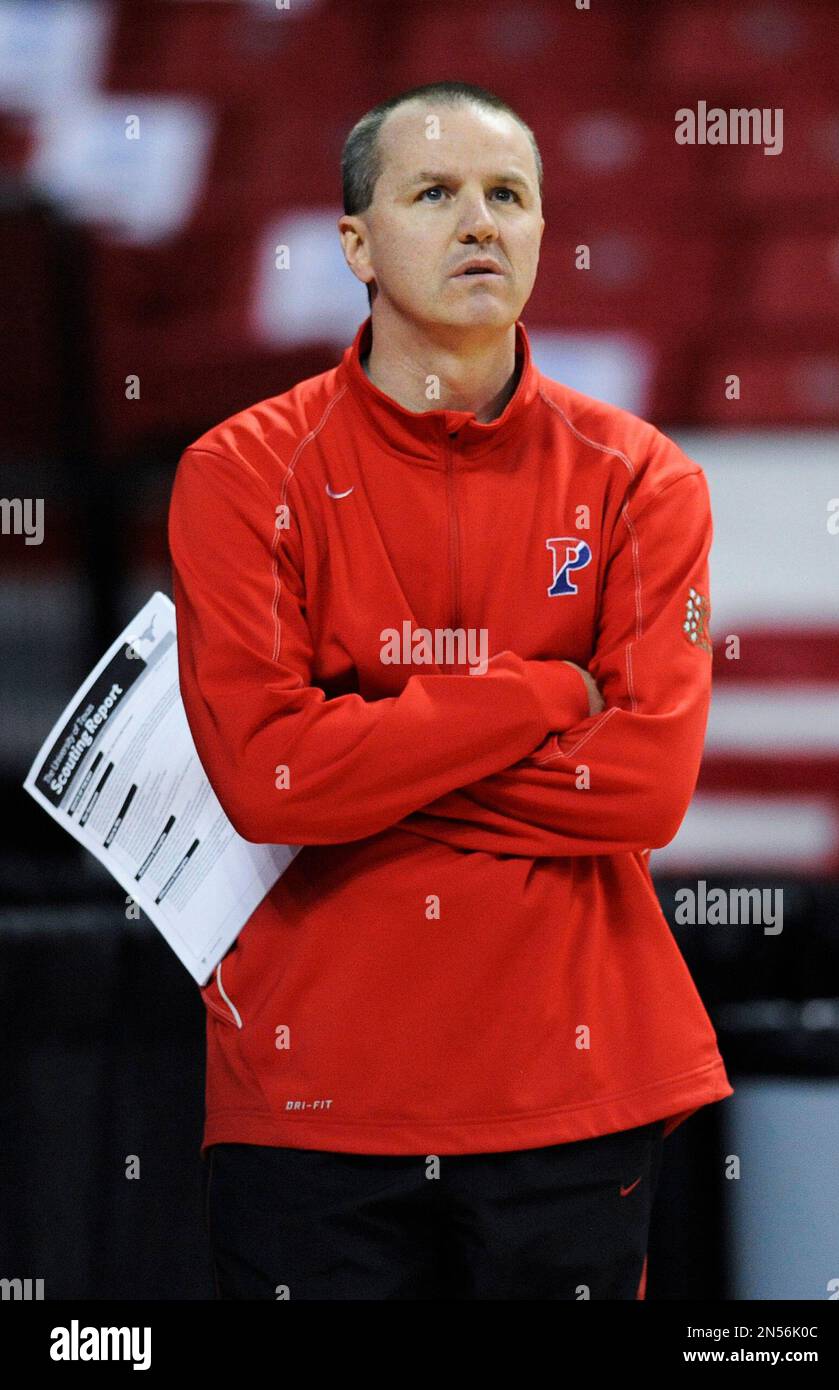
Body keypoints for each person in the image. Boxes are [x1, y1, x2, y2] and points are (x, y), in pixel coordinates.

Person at [168, 80, 733, 1301]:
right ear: (356, 246)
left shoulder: (645, 479)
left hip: (571, 1093)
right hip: (308, 1103)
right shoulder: (237, 473)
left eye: (508, 196)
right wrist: (537, 694)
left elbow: (640, 788)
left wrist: (357, 763)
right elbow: (269, 783)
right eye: (435, 192)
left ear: (539, 233)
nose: (480, 221)